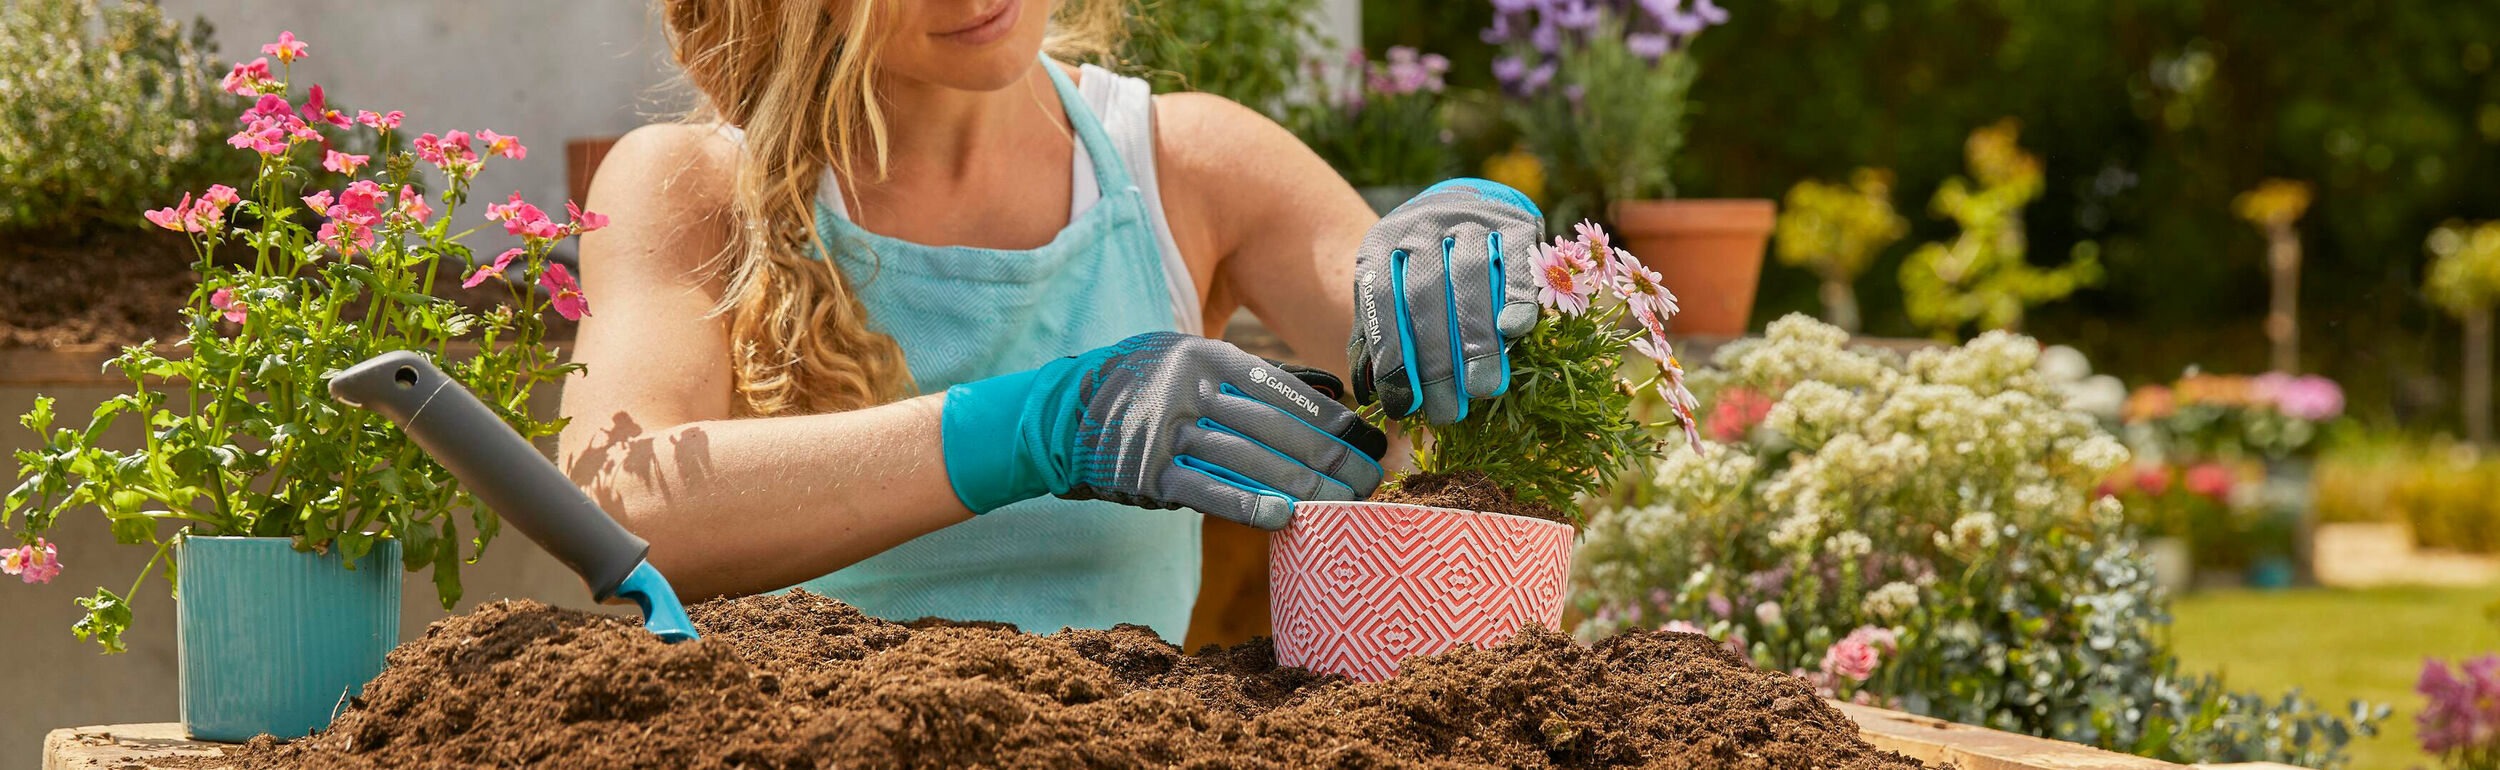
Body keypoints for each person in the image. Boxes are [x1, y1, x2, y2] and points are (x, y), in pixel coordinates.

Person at [563, 0, 1544, 641]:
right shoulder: (689, 185)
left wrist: (1476, 276)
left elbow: (1475, 419)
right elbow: (623, 502)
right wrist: (1028, 424)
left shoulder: (1189, 167)